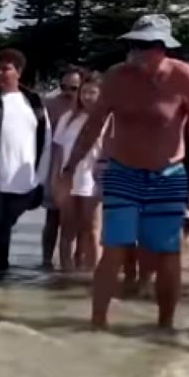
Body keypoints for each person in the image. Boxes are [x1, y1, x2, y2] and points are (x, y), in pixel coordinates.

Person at [58, 14, 189, 329]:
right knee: (114, 249)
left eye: (147, 45)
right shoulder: (117, 77)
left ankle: (165, 328)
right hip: (122, 172)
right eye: (134, 45)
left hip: (168, 175)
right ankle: (96, 325)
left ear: (164, 47)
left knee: (167, 253)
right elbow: (94, 126)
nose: (139, 52)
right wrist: (70, 167)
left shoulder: (184, 77)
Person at [0, 49, 52, 279]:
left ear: (19, 72)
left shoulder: (34, 102)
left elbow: (45, 143)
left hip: (24, 183)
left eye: (6, 68)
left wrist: (40, 179)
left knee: (3, 233)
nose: (0, 73)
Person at [50, 74, 108, 272]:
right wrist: (55, 178)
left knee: (91, 230)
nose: (87, 97)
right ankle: (66, 274)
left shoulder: (107, 120)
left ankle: (93, 274)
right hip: (67, 178)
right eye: (84, 92)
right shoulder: (68, 118)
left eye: (93, 92)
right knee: (67, 230)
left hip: (92, 179)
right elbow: (57, 152)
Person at [41, 67, 84, 268]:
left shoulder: (92, 109)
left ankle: (80, 264)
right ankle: (47, 262)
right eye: (63, 87)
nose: (67, 92)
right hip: (55, 166)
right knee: (52, 217)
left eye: (73, 88)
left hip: (84, 173)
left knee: (83, 223)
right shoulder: (51, 104)